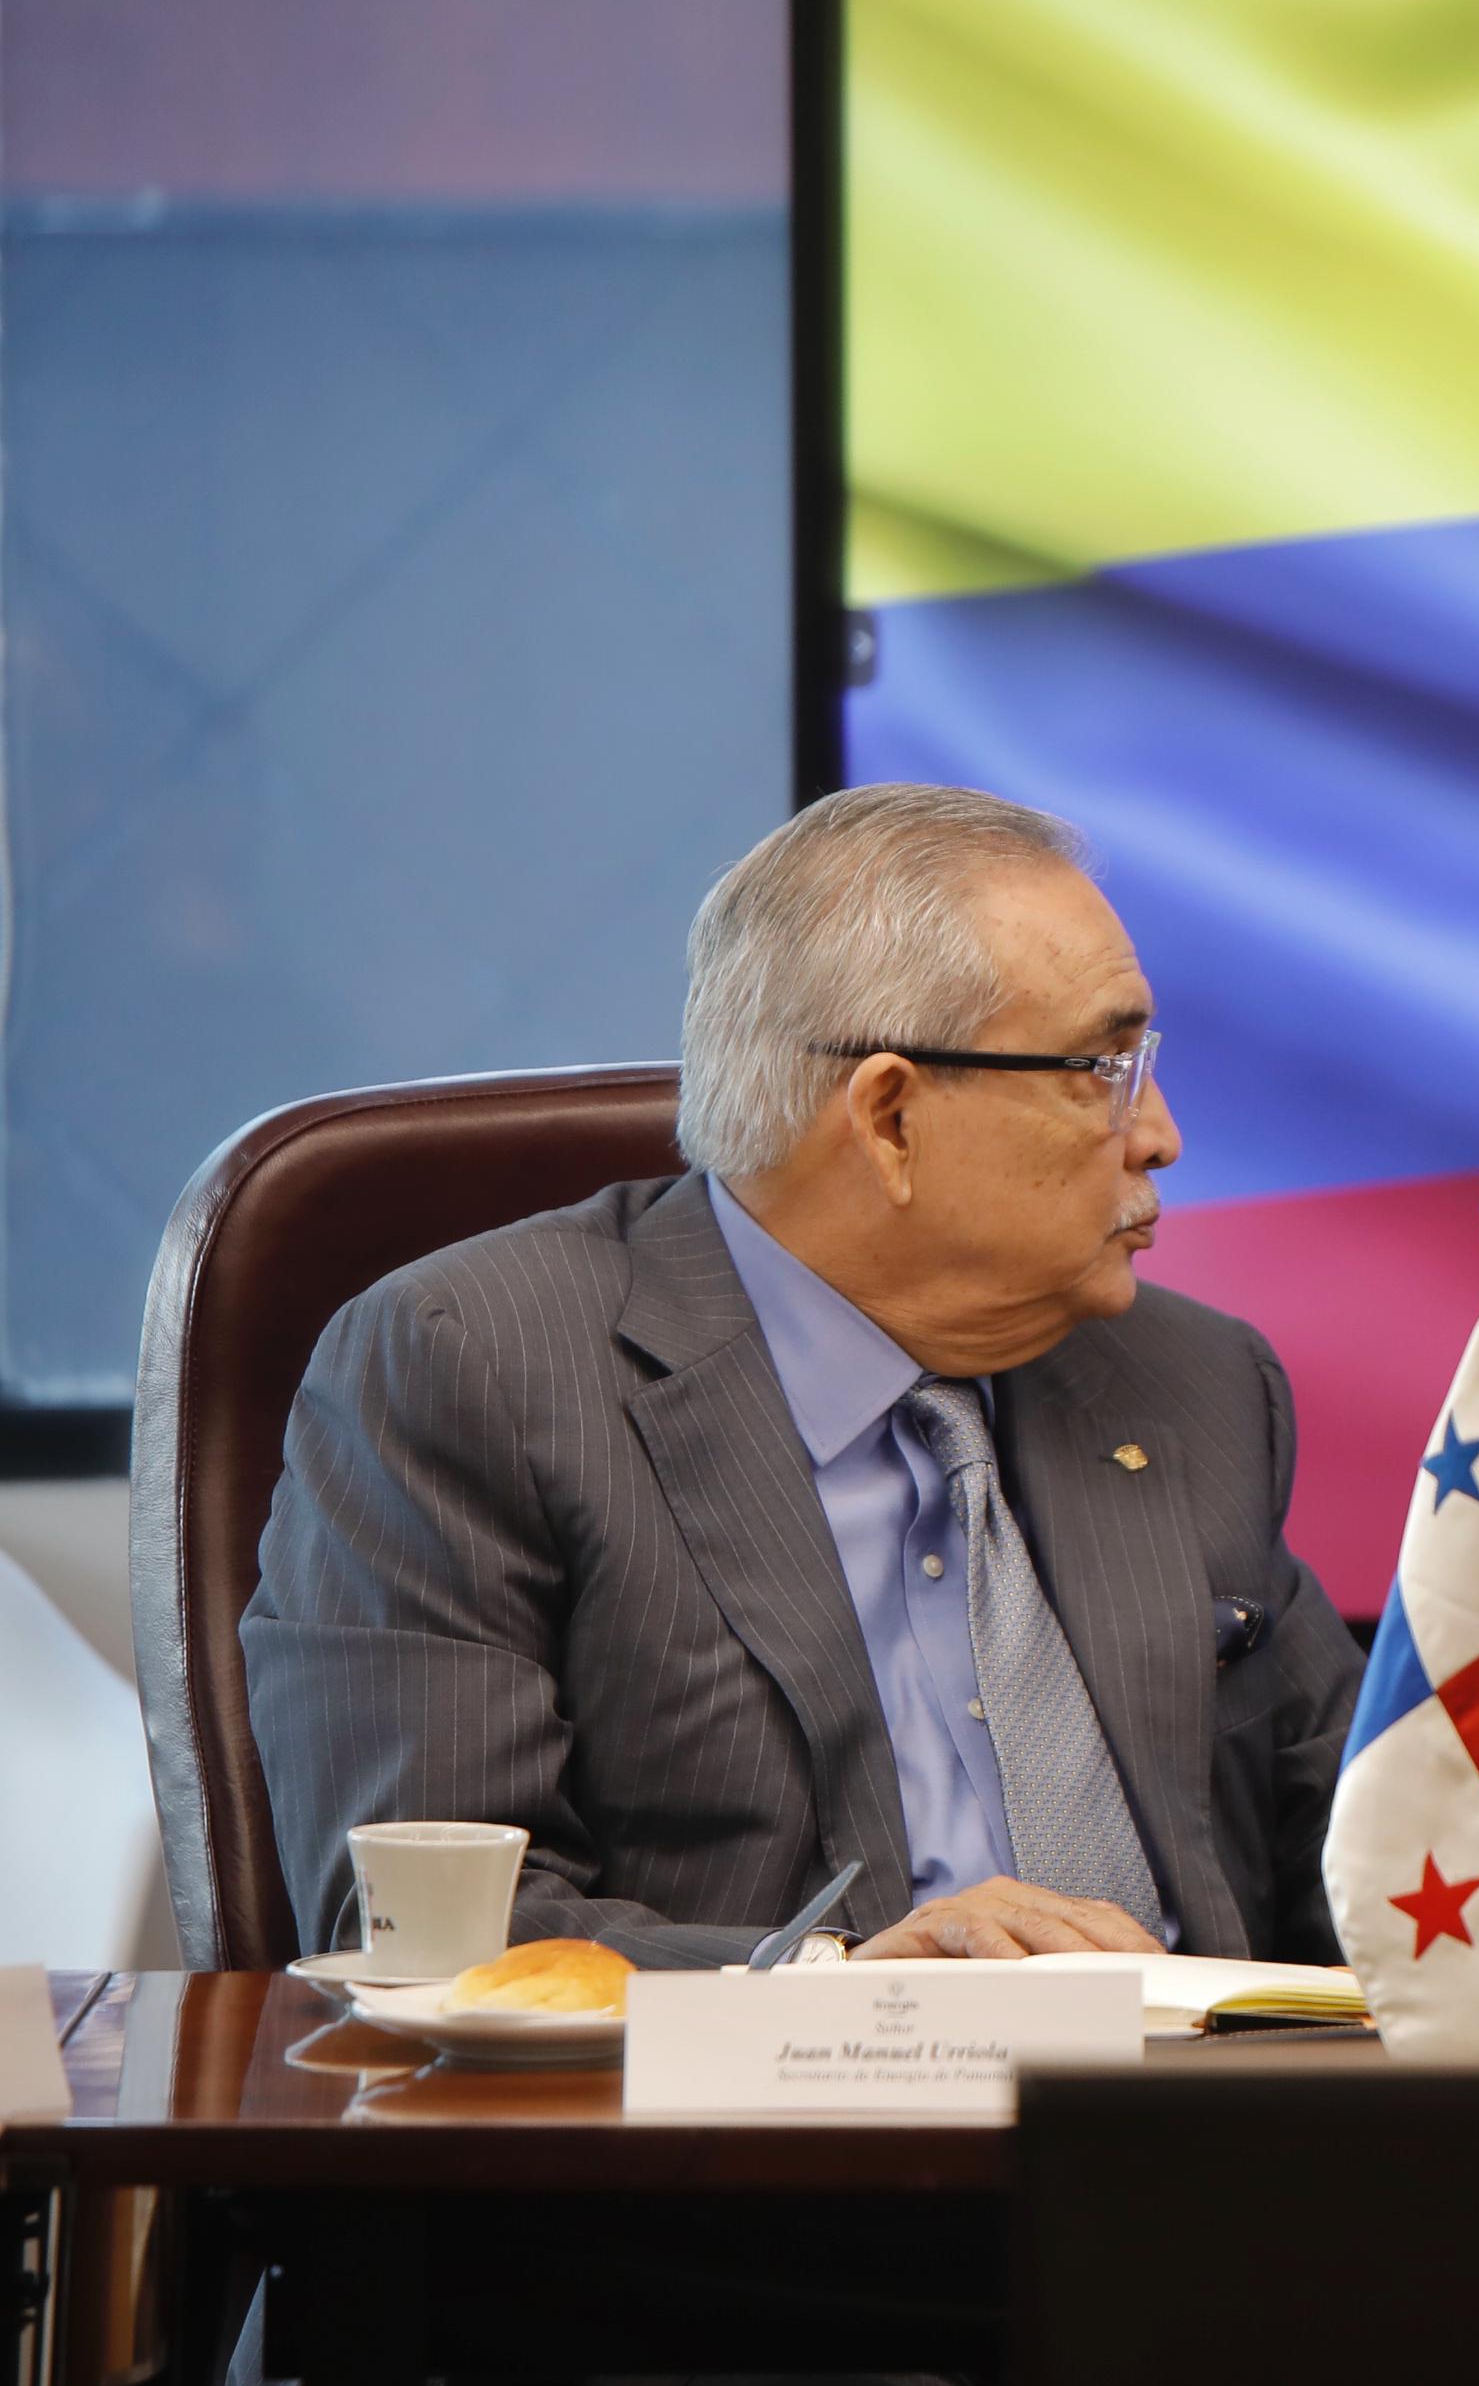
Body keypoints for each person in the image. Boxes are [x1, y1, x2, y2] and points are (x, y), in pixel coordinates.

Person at [247, 785, 1365, 1965]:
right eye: (1102, 1068)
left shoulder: (1193, 1380)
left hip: (1202, 2077)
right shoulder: (474, 1370)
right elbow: (431, 1933)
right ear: (888, 1117)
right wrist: (829, 1990)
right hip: (752, 2085)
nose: (1159, 1135)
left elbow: (1386, 1860)